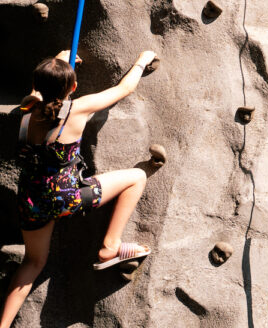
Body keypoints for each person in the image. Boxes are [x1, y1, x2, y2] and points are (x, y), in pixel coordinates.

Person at [1, 50, 155, 328]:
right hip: (64, 197)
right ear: (73, 87)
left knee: (33, 263)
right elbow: (124, 88)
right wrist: (142, 60)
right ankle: (110, 246)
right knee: (137, 177)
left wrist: (58, 61)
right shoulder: (78, 108)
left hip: (32, 200)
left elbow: (39, 91)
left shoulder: (27, 108)